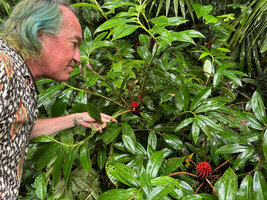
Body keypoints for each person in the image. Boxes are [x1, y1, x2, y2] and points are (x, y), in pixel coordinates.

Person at [0, 0, 115, 199]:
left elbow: (13, 130)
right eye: (74, 44)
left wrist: (76, 119)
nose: (78, 57)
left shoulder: (21, 75)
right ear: (40, 35)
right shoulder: (4, 68)